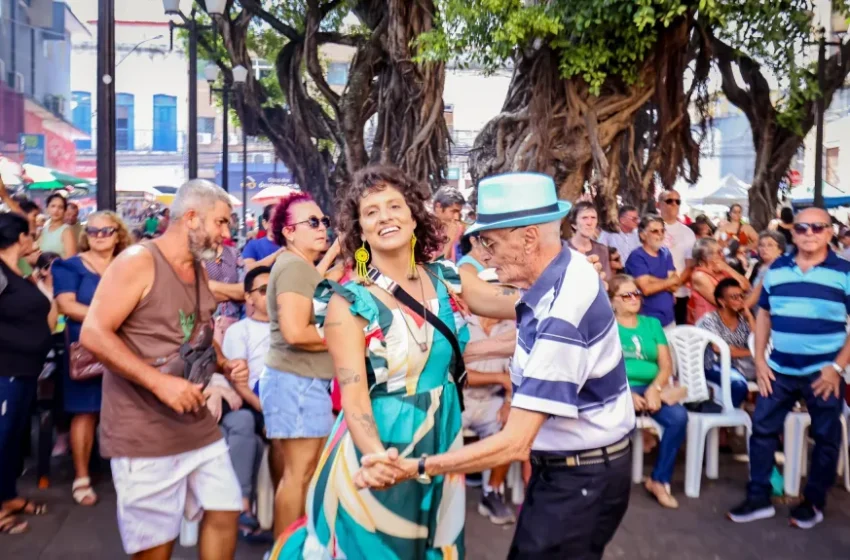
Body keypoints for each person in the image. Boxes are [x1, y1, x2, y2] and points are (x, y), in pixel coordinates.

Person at [352, 170, 633, 560]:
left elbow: (515, 441)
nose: (482, 255)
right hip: (569, 466)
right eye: (371, 212)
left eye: (489, 242)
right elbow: (510, 320)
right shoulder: (562, 276)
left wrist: (412, 467)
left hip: (573, 473)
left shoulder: (558, 308)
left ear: (529, 238)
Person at [80, 179, 246, 559]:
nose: (226, 233)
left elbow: (198, 331)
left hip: (196, 425)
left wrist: (224, 361)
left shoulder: (200, 271)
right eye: (221, 222)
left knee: (226, 508)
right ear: (191, 218)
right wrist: (160, 384)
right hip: (144, 429)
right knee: (157, 546)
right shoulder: (139, 261)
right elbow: (94, 333)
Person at [728, 207, 850, 529]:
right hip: (779, 368)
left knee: (825, 437)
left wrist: (836, 368)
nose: (809, 233)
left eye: (817, 227)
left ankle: (814, 502)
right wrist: (759, 360)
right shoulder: (777, 269)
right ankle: (758, 497)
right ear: (792, 233)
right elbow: (764, 314)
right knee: (763, 430)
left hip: (823, 371)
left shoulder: (844, 272)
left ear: (829, 232)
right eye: (802, 228)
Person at [259, 191, 335, 538]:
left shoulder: (297, 266)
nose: (322, 228)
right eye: (313, 223)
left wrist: (334, 255)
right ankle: (286, 549)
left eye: (325, 222)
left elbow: (311, 284)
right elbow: (294, 331)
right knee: (298, 475)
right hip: (296, 382)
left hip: (299, 381)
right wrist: (346, 337)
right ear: (289, 232)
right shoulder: (292, 268)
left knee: (303, 473)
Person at [53, 211, 132, 507]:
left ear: (118, 232)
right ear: (87, 234)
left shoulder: (130, 263)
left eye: (107, 230)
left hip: (126, 347)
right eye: (94, 231)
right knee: (85, 412)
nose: (100, 236)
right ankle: (81, 476)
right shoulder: (70, 266)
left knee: (126, 409)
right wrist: (109, 320)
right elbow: (66, 305)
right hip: (86, 348)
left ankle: (127, 474)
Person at [0, 212, 57, 534]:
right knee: (1, 437)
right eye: (31, 234)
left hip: (23, 370)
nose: (34, 239)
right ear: (19, 238)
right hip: (4, 370)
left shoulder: (17, 273)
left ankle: (7, 496)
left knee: (11, 438)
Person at [610, 274, 687, 509]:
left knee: (678, 418)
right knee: (615, 423)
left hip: (651, 386)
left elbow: (666, 365)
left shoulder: (651, 324)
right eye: (626, 295)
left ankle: (658, 480)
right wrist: (625, 394)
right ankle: (608, 487)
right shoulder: (607, 326)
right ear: (613, 300)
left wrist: (655, 389)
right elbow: (602, 368)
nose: (634, 298)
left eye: (636, 294)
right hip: (619, 387)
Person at [462, 267, 518, 525]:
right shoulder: (460, 321)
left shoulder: (512, 326)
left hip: (492, 400)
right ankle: (439, 495)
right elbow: (457, 373)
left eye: (504, 291)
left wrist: (508, 401)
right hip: (460, 398)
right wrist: (499, 379)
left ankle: (491, 492)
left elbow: (516, 374)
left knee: (510, 430)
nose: (500, 297)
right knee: (439, 430)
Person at [695, 278, 754, 408]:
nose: (740, 300)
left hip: (740, 366)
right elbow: (719, 349)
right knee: (738, 386)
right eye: (734, 297)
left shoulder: (743, 321)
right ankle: (720, 417)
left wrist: (749, 317)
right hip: (713, 366)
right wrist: (751, 352)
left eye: (741, 296)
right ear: (722, 301)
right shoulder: (710, 320)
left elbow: (758, 341)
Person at [625, 215, 679, 329]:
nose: (660, 234)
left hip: (669, 319)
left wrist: (651, 278)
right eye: (655, 231)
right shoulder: (637, 256)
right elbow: (646, 289)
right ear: (642, 235)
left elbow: (675, 286)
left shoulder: (666, 253)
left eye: (662, 230)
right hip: (646, 321)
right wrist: (669, 281)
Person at [689, 237, 751, 324]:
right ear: (705, 257)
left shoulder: (723, 269)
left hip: (729, 322)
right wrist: (746, 299)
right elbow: (722, 302)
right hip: (710, 326)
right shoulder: (699, 276)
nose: (723, 255)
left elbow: (746, 286)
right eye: (719, 252)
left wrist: (727, 268)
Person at [657, 190, 695, 325]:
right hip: (652, 294)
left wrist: (674, 286)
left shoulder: (688, 232)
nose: (674, 204)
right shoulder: (649, 229)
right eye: (669, 201)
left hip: (680, 294)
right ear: (659, 204)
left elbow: (690, 266)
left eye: (677, 201)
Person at [206, 241, 245, 345]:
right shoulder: (197, 256)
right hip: (206, 325)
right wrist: (233, 292)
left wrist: (212, 285)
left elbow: (244, 291)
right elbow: (199, 295)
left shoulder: (234, 253)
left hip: (235, 322)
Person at [567, 201, 611, 279]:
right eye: (584, 218)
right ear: (574, 224)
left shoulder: (602, 249)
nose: (590, 222)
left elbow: (606, 280)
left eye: (593, 218)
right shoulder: (563, 248)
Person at [745, 230, 787, 310]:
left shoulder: (781, 268)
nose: (765, 249)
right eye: (761, 245)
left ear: (780, 249)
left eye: (770, 245)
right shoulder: (756, 265)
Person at [243, 204, 283, 270]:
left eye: (280, 221)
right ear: (265, 224)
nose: (278, 224)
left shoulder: (290, 244)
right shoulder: (253, 245)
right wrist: (276, 254)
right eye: (274, 221)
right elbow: (249, 269)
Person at [432, 185, 466, 261]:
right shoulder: (424, 232)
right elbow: (433, 270)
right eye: (453, 211)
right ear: (438, 207)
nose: (456, 217)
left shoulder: (458, 229)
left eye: (458, 212)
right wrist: (449, 240)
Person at [40, 193, 77, 258]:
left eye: (60, 207)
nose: (56, 210)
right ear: (47, 208)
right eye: (53, 206)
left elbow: (71, 259)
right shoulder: (44, 230)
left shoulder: (66, 231)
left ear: (64, 211)